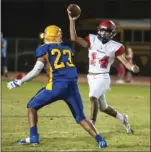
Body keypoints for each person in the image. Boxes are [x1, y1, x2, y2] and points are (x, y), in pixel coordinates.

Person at [7, 25, 108, 148]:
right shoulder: (67, 49)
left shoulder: (44, 49)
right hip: (72, 87)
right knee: (81, 117)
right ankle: (100, 140)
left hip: (56, 86)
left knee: (31, 106)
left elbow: (36, 70)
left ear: (47, 36)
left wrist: (19, 81)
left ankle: (34, 137)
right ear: (58, 37)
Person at [68, 12, 139, 134]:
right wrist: (72, 20)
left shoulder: (115, 46)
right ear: (98, 30)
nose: (103, 33)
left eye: (107, 32)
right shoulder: (92, 39)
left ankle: (92, 123)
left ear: (112, 34)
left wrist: (132, 67)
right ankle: (123, 118)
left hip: (103, 77)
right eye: (102, 30)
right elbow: (74, 38)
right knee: (103, 107)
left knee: (93, 96)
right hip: (91, 77)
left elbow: (124, 61)